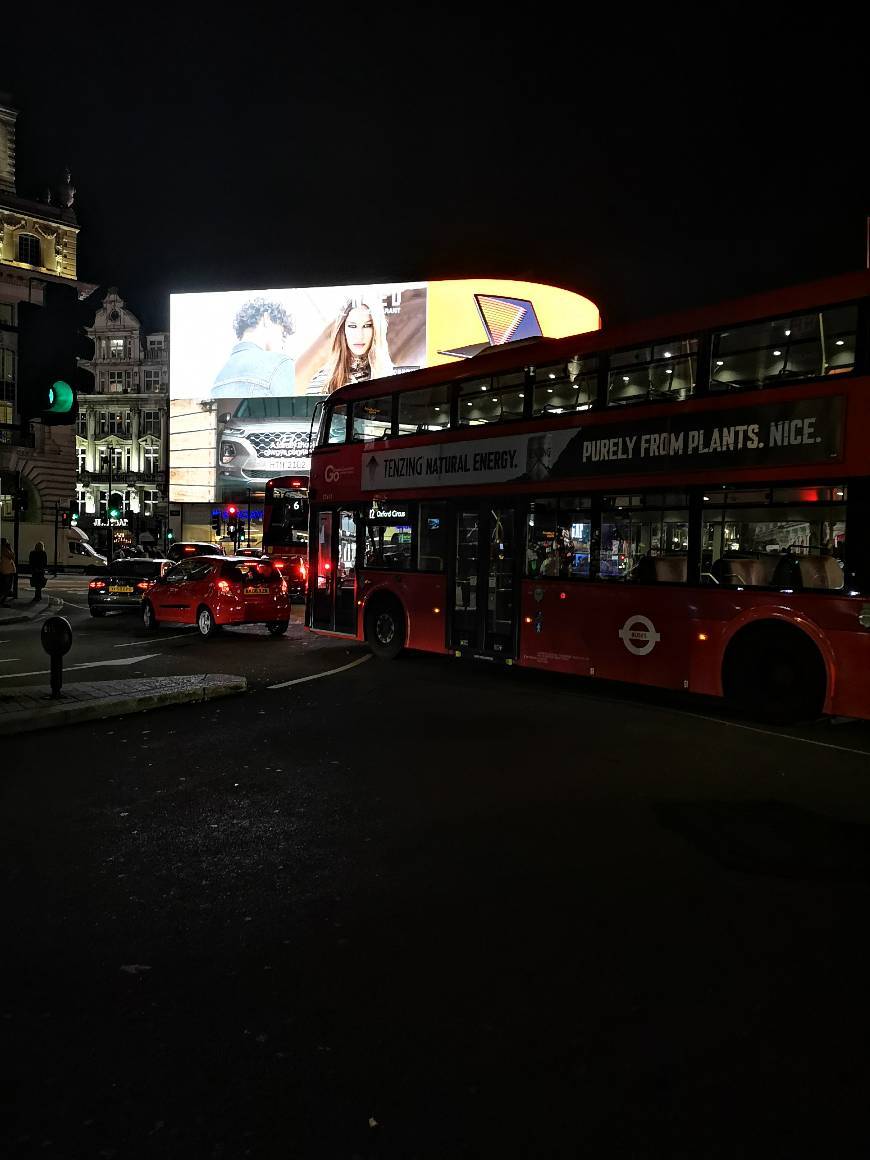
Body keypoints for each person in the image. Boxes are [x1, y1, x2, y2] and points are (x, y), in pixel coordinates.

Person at [211, 298, 296, 399]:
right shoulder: (280, 363)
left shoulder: (219, 377)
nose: (283, 344)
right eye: (283, 335)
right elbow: (287, 413)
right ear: (267, 319)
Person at [308, 298, 394, 395]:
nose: (359, 335)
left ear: (376, 330)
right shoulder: (323, 380)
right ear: (342, 330)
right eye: (352, 326)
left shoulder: (390, 376)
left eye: (367, 325)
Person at [0, 538, 16, 604]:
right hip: (7, 571)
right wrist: (10, 548)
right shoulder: (4, 549)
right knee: (7, 587)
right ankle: (2, 601)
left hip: (6, 570)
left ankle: (2, 600)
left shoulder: (3, 549)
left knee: (5, 586)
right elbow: (13, 556)